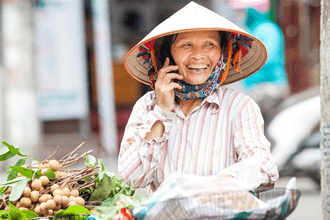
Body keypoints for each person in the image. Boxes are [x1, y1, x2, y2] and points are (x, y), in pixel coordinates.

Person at [119, 1, 279, 195]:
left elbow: (264, 165)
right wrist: (162, 112)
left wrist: (224, 182)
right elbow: (129, 179)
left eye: (210, 45)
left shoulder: (239, 106)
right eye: (186, 45)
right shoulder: (147, 106)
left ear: (222, 52)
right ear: (167, 53)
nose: (198, 55)